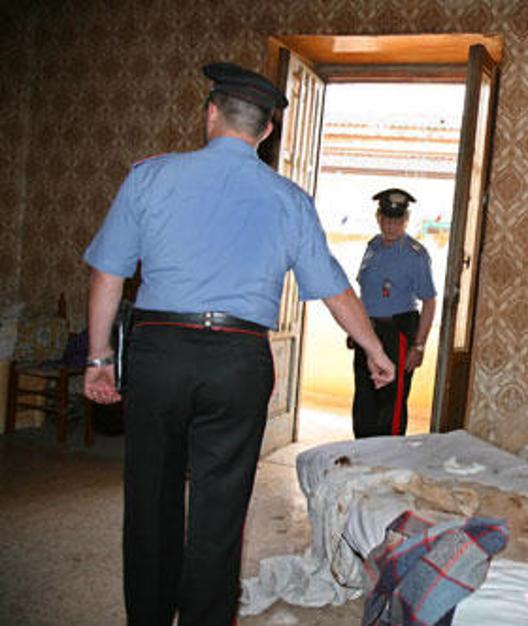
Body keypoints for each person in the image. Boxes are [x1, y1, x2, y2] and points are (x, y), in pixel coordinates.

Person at [82, 61, 395, 626]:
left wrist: (100, 357)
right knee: (221, 508)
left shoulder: (149, 177)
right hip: (237, 359)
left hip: (159, 352)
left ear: (210, 114)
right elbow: (333, 288)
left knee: (150, 497)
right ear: (266, 131)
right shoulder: (289, 199)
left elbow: (108, 272)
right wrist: (374, 348)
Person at [352, 188, 437, 438]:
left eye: (397, 220)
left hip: (397, 333)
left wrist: (418, 346)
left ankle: (389, 459)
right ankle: (362, 454)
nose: (391, 226)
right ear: (378, 217)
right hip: (367, 332)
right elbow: (365, 293)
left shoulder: (416, 255)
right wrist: (356, 329)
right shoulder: (372, 248)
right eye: (387, 219)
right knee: (364, 401)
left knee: (391, 406)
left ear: (406, 220)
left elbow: (429, 302)